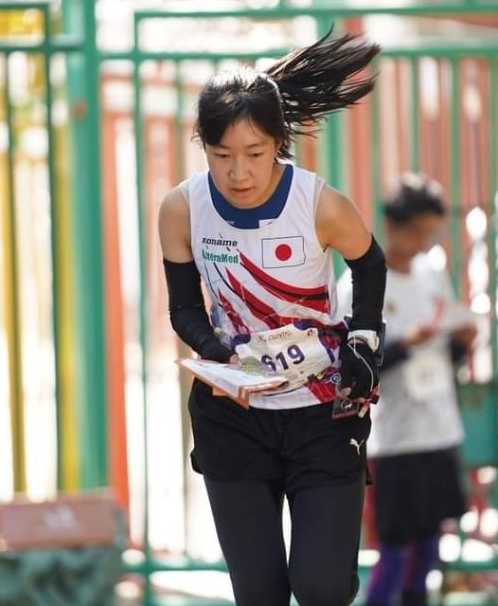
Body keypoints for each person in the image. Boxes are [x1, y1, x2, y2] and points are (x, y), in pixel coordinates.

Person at [157, 31, 387, 606]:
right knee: (258, 594)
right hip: (233, 417)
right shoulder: (183, 209)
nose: (239, 173)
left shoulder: (319, 203)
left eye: (255, 154)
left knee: (322, 585)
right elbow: (184, 308)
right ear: (202, 146)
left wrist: (363, 337)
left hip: (320, 414)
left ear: (279, 143)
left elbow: (370, 263)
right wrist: (219, 355)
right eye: (222, 156)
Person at [337, 174, 477, 606]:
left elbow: (446, 352)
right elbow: (353, 367)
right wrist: (402, 343)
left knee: (430, 541)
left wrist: (461, 342)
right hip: (392, 436)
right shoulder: (361, 287)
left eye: (429, 233)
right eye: (416, 231)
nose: (422, 241)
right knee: (395, 546)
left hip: (438, 426)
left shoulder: (431, 272)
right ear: (392, 225)